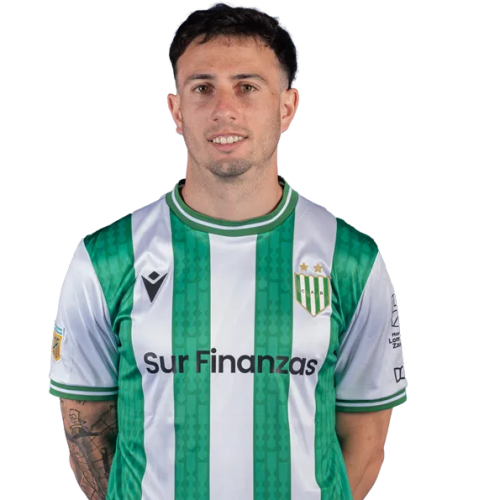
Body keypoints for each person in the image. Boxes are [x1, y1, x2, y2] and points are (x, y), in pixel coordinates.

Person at [48, 3, 408, 499]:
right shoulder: (104, 259)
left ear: (287, 107)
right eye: (202, 88)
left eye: (247, 87)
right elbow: (85, 434)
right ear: (176, 110)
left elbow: (365, 442)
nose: (224, 109)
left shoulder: (352, 259)